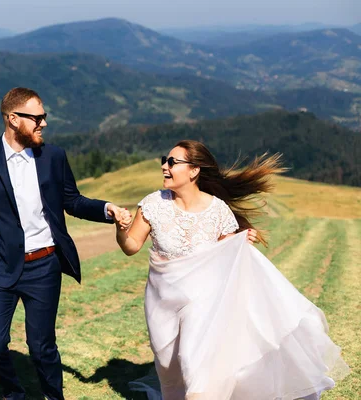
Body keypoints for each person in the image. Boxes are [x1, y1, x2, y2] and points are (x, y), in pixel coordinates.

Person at [0, 87, 129, 400]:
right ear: (12, 119)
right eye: (37, 117)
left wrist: (108, 209)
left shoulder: (54, 156)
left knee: (42, 348)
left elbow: (72, 201)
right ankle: (14, 392)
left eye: (44, 117)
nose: (44, 123)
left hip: (44, 265)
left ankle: (53, 396)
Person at [114, 140, 349, 399]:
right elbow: (132, 245)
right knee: (169, 369)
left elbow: (227, 256)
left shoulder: (217, 210)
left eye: (172, 162)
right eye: (164, 160)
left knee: (194, 365)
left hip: (203, 301)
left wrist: (241, 240)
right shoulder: (153, 203)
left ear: (194, 171)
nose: (164, 166)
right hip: (162, 301)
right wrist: (120, 229)